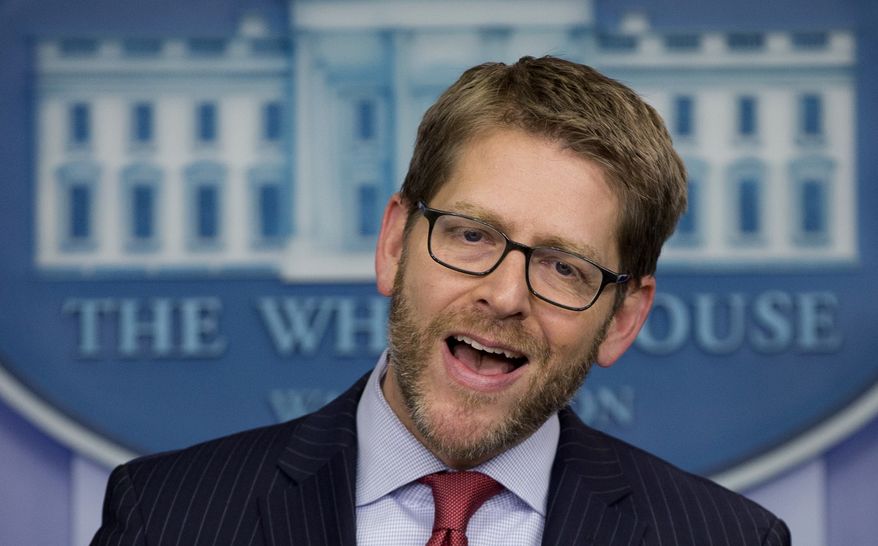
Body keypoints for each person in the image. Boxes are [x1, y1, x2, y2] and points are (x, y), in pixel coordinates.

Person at [91, 56, 790, 546]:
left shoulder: (728, 539)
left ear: (623, 319)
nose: (505, 295)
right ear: (395, 242)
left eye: (564, 267)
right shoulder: (167, 517)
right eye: (471, 235)